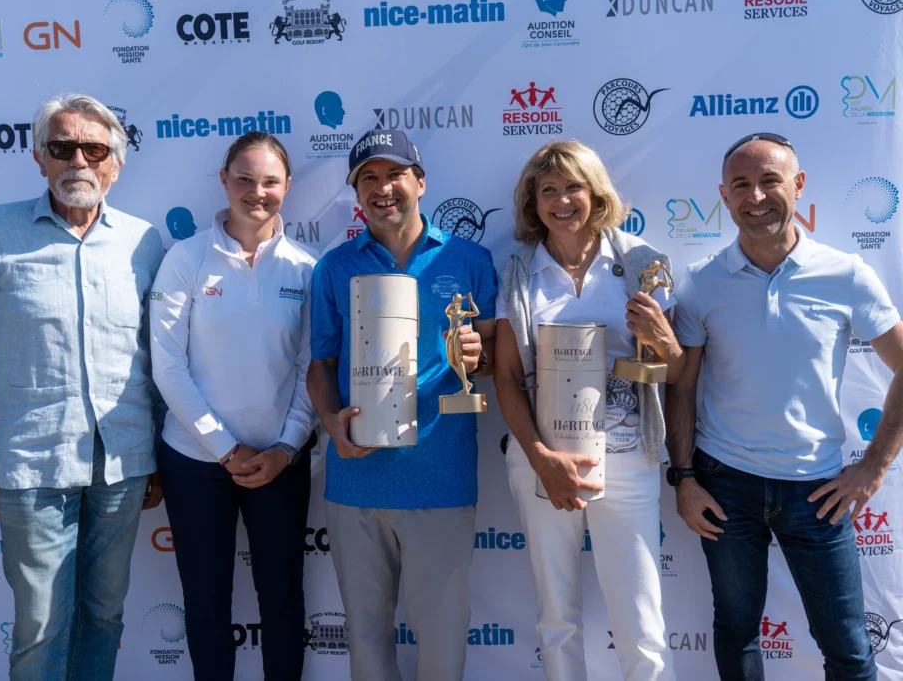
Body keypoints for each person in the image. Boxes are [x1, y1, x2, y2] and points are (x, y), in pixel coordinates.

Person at [0, 93, 165, 681]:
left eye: (94, 149)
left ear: (115, 163)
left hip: (124, 464)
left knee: (104, 615)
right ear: (39, 157)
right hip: (31, 466)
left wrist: (159, 455)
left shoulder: (144, 244)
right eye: (62, 148)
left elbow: (158, 359)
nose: (78, 162)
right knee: (40, 628)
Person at [667, 132, 903, 681]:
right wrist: (683, 476)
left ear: (798, 186)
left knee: (848, 648)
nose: (756, 197)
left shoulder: (846, 275)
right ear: (723, 197)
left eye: (770, 181)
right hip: (724, 483)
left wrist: (873, 466)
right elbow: (680, 387)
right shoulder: (702, 282)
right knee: (736, 632)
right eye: (741, 185)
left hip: (817, 490)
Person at [307, 128, 497, 681]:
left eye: (394, 174)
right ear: (356, 193)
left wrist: (476, 353)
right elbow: (320, 365)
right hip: (356, 477)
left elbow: (489, 362)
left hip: (439, 478)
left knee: (441, 639)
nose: (382, 188)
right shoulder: (333, 267)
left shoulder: (469, 260)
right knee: (365, 640)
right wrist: (330, 427)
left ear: (420, 182)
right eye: (368, 178)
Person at [494, 140, 681, 681]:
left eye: (572, 186)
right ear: (533, 202)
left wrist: (665, 343)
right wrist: (539, 459)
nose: (560, 200)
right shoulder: (518, 270)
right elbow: (507, 377)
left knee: (642, 624)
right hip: (543, 458)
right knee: (557, 619)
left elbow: (673, 368)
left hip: (628, 455)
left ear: (595, 193)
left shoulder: (643, 263)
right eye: (546, 190)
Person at [149, 131, 317, 681]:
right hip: (196, 462)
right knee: (205, 605)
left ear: (287, 187)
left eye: (270, 181)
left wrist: (287, 448)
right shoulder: (186, 258)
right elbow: (168, 366)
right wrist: (224, 449)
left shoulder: (305, 269)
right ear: (224, 181)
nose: (257, 191)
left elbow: (310, 371)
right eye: (244, 178)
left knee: (284, 605)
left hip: (279, 464)